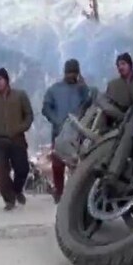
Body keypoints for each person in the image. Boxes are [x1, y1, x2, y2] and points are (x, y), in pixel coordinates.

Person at [0, 68, 35, 211]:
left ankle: (16, 190)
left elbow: (29, 115)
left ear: (6, 80)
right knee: (1, 172)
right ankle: (9, 199)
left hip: (17, 138)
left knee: (22, 169)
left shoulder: (20, 96)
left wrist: (22, 127)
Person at [42, 59, 90, 203]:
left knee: (78, 164)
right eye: (69, 73)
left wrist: (83, 88)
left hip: (78, 133)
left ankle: (77, 193)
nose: (71, 75)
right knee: (58, 164)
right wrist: (56, 121)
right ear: (65, 72)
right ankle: (59, 192)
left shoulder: (82, 90)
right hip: (59, 132)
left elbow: (90, 104)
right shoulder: (54, 90)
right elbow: (46, 108)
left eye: (74, 73)